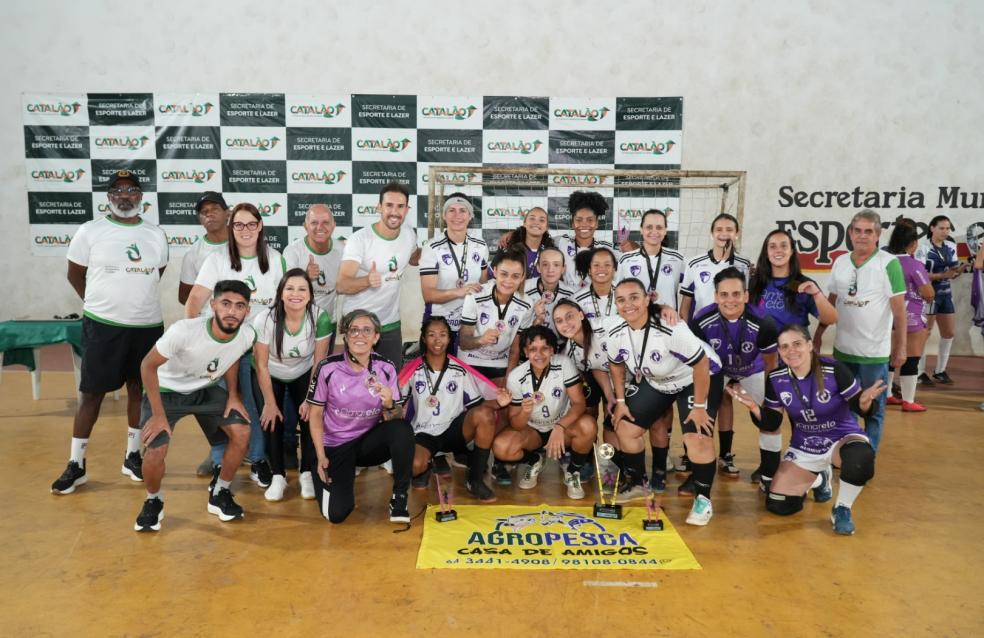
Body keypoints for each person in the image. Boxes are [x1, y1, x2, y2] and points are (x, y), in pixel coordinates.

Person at [52, 169, 169, 495]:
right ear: (108, 197)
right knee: (91, 395)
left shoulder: (155, 235)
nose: (124, 195)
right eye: (117, 191)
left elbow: (155, 274)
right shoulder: (90, 231)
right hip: (103, 327)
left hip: (146, 326)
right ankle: (76, 464)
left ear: (141, 197)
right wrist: (99, 304)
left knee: (138, 391)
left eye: (131, 189)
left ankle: (132, 456)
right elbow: (75, 274)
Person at [728, 324, 883, 536]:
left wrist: (865, 403)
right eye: (784, 347)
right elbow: (772, 423)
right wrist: (754, 407)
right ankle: (820, 479)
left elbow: (861, 408)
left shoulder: (833, 369)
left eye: (797, 344)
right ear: (780, 352)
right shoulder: (776, 378)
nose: (791, 351)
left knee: (860, 460)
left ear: (810, 345)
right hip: (804, 447)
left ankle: (842, 509)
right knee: (778, 504)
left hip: (841, 439)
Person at [133, 280, 256, 531]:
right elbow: (147, 365)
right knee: (156, 449)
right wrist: (158, 414)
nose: (232, 311)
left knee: (242, 432)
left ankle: (220, 492)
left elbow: (230, 357)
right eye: (226, 304)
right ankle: (153, 500)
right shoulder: (184, 331)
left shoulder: (246, 335)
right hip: (167, 392)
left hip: (205, 390)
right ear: (212, 305)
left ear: (247, 311)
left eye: (239, 306)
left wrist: (233, 394)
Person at [185, 202, 287, 488]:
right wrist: (194, 339)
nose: (245, 230)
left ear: (260, 226)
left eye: (251, 224)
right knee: (218, 407)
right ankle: (220, 462)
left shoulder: (275, 259)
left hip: (258, 349)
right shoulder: (217, 260)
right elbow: (194, 300)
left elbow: (283, 305)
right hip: (221, 347)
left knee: (253, 406)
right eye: (239, 225)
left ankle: (257, 459)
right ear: (231, 228)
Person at [606, 278, 723, 526]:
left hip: (696, 376)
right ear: (615, 304)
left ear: (648, 299)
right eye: (621, 299)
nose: (628, 304)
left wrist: (700, 408)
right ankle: (638, 483)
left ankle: (703, 498)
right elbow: (615, 364)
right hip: (658, 380)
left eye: (634, 297)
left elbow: (701, 364)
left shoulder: (670, 327)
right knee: (625, 426)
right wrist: (620, 401)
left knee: (697, 437)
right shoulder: (615, 330)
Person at [306, 310, 414, 524]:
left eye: (367, 330)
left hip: (365, 444)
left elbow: (397, 416)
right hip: (334, 447)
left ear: (376, 337)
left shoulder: (386, 368)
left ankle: (399, 497)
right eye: (354, 330)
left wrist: (390, 404)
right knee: (336, 515)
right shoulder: (328, 368)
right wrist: (320, 456)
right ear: (345, 336)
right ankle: (326, 472)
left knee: (402, 430)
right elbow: (315, 414)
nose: (360, 335)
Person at [814, 210, 906, 452]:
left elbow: (900, 312)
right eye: (858, 231)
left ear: (878, 234)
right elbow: (830, 303)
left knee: (874, 410)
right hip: (843, 351)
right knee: (846, 407)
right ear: (850, 234)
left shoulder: (889, 264)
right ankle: (849, 453)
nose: (862, 236)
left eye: (868, 231)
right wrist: (817, 336)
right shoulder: (841, 262)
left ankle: (867, 458)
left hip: (874, 354)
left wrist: (901, 347)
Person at [690, 267, 779, 489]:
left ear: (746, 296)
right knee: (702, 413)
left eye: (736, 294)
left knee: (769, 418)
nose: (730, 300)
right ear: (715, 296)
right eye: (724, 295)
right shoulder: (701, 320)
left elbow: (771, 363)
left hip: (753, 369)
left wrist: (770, 397)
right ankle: (704, 468)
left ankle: (769, 471)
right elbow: (697, 362)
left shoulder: (763, 322)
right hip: (718, 370)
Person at [401, 316, 504, 502]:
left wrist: (498, 402)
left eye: (443, 335)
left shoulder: (460, 370)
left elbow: (477, 405)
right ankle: (425, 465)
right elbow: (395, 402)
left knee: (485, 415)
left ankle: (475, 480)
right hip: (423, 433)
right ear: (423, 339)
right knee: (414, 466)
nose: (437, 340)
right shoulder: (412, 370)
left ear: (449, 339)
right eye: (431, 335)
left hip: (453, 431)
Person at [251, 269, 332, 501]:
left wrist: (310, 399)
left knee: (310, 416)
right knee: (271, 419)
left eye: (302, 289)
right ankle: (278, 475)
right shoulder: (264, 319)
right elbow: (261, 365)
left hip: (305, 371)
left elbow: (319, 362)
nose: (295, 294)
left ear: (309, 295)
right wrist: (269, 402)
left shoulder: (320, 317)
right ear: (280, 293)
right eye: (290, 288)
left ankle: (306, 471)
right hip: (271, 372)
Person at [495, 326, 598, 499]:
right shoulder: (515, 376)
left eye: (544, 348)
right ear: (525, 352)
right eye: (533, 349)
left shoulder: (564, 363)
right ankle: (534, 460)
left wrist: (559, 427)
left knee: (588, 425)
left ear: (552, 350)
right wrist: (524, 412)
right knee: (501, 447)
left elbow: (579, 404)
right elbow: (516, 424)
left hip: (562, 427)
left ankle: (573, 472)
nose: (539, 354)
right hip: (533, 430)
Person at [337, 182, 419, 370]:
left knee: (391, 382)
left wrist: (432, 250)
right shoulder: (360, 239)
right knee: (356, 385)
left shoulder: (408, 234)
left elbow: (414, 257)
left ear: (407, 210)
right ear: (379, 207)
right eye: (389, 205)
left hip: (390, 323)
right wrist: (367, 281)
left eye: (400, 206)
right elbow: (342, 284)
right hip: (359, 324)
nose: (394, 212)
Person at [419, 193, 489, 352]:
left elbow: (484, 288)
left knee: (466, 375)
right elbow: (428, 295)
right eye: (451, 210)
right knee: (437, 373)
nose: (457, 215)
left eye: (463, 210)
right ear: (444, 215)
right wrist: (460, 292)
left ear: (470, 216)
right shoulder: (432, 247)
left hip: (469, 324)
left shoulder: (480, 245)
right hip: (439, 323)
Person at [458, 248, 533, 384]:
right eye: (504, 274)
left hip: (500, 364)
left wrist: (508, 379)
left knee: (499, 402)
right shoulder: (476, 295)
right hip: (470, 360)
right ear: (495, 271)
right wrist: (481, 339)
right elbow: (463, 342)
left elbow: (515, 349)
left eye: (515, 276)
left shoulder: (526, 304)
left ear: (522, 277)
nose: (508, 281)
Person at [884, 222, 934, 412]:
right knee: (911, 359)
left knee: (889, 356)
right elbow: (928, 293)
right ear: (913, 243)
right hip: (911, 315)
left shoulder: (884, 261)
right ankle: (908, 400)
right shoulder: (915, 265)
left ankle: (888, 395)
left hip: (886, 315)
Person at [748, 229, 837, 332]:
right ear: (766, 253)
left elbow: (831, 319)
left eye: (784, 246)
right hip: (759, 347)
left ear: (791, 251)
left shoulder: (804, 285)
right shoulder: (753, 282)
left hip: (793, 347)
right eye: (772, 246)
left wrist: (817, 294)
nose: (778, 250)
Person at [679, 213, 752, 320]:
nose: (724, 233)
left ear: (737, 234)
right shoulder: (694, 264)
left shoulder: (745, 265)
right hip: (701, 328)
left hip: (733, 328)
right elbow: (685, 308)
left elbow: (745, 301)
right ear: (712, 234)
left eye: (729, 230)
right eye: (719, 229)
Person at [919, 215, 963, 386]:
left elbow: (952, 271)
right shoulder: (922, 248)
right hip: (928, 295)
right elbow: (920, 275)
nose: (945, 231)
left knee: (949, 333)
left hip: (945, 294)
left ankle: (940, 371)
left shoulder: (951, 246)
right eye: (941, 228)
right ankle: (919, 372)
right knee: (925, 333)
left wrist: (959, 270)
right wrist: (943, 275)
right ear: (932, 228)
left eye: (948, 228)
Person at [283, 203, 345, 322]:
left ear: (334, 226)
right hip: (299, 322)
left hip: (329, 322)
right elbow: (285, 289)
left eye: (325, 222)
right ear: (305, 226)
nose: (320, 227)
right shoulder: (292, 251)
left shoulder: (342, 250)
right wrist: (305, 277)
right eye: (314, 223)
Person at [616, 208, 685, 309]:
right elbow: (618, 293)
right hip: (636, 321)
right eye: (649, 227)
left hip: (668, 322)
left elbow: (690, 291)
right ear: (641, 229)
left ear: (665, 230)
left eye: (659, 227)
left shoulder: (678, 259)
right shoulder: (625, 260)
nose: (654, 231)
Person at [555, 191, 616, 290]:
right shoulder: (561, 242)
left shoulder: (607, 248)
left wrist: (633, 246)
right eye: (579, 220)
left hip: (594, 302)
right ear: (572, 223)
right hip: (567, 301)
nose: (584, 224)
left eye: (590, 220)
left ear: (596, 224)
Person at [178, 191, 229, 306]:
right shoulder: (193, 253)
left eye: (215, 209)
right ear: (200, 219)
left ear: (227, 213)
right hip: (207, 319)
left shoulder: (244, 244)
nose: (209, 214)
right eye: (204, 212)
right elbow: (184, 297)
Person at [493, 207, 554, 280]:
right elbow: (492, 277)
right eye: (532, 218)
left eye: (542, 220)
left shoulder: (552, 252)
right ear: (524, 223)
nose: (536, 223)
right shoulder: (507, 246)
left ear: (547, 227)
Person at [525, 247, 574, 334]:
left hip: (561, 345)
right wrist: (538, 319)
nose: (550, 270)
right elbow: (517, 336)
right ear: (538, 268)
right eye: (545, 264)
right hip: (531, 343)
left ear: (563, 269)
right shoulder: (523, 291)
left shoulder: (572, 294)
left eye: (556, 265)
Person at [573, 246, 620, 330]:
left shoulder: (625, 294)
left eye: (607, 265)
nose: (601, 269)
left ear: (614, 269)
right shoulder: (576, 300)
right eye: (596, 265)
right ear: (590, 270)